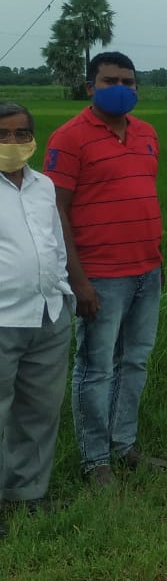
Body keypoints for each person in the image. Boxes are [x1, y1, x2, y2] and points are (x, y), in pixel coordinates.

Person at [45, 51, 164, 487]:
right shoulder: (70, 137)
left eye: (129, 82)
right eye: (111, 80)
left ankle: (124, 445)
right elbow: (57, 211)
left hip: (146, 271)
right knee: (96, 368)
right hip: (99, 275)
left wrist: (158, 261)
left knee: (134, 361)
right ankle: (95, 460)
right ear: (90, 85)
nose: (122, 88)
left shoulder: (147, 133)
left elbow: (145, 197)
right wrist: (77, 280)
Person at [0, 103, 74, 533]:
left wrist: (63, 290)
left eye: (21, 134)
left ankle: (27, 494)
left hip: (48, 314)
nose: (12, 143)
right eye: (3, 134)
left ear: (33, 139)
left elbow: (55, 243)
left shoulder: (43, 186)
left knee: (39, 411)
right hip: (3, 317)